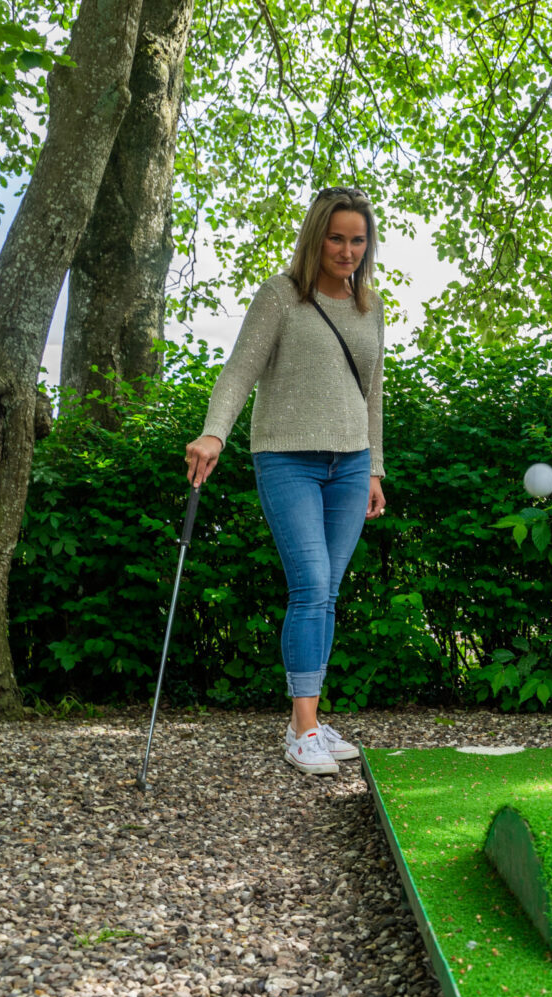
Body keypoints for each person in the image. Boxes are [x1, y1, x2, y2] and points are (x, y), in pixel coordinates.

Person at [184, 187, 386, 777]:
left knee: (327, 593)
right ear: (315, 237)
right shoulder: (279, 296)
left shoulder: (370, 306)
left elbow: (373, 392)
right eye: (336, 238)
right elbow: (239, 371)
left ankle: (309, 722)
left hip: (351, 464)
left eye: (357, 240)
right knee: (311, 585)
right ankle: (303, 729)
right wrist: (214, 433)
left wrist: (375, 467)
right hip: (286, 459)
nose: (347, 250)